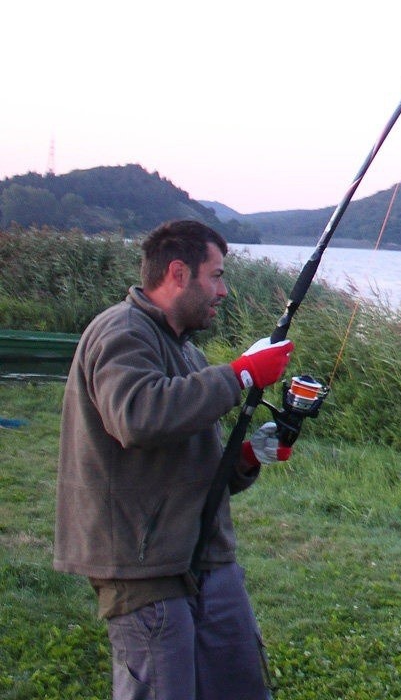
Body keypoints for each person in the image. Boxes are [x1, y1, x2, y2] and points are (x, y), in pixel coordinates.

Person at [54, 219, 297, 700]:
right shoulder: (120, 333)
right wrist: (240, 377)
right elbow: (137, 417)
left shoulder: (188, 356)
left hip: (202, 553)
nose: (223, 290)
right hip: (142, 565)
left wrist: (247, 456)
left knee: (241, 686)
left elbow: (194, 459)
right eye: (217, 275)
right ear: (179, 273)